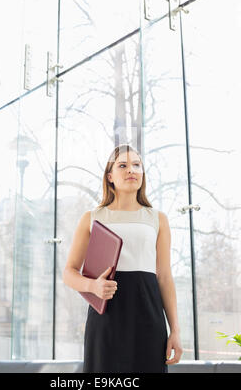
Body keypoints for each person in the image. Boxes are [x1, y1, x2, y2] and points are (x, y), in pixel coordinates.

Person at [63, 143, 183, 373]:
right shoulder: (92, 217)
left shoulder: (158, 219)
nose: (132, 170)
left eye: (137, 165)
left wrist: (175, 330)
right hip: (106, 319)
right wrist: (93, 286)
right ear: (110, 176)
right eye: (123, 165)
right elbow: (69, 272)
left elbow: (165, 277)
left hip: (148, 317)